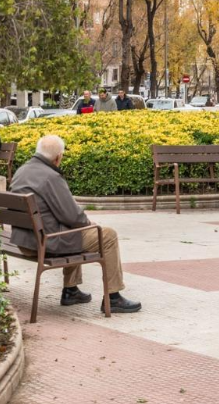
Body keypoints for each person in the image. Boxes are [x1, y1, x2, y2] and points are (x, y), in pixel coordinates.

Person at [9, 135, 142, 314]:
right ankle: (113, 296)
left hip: (25, 241)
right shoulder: (51, 177)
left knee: (73, 230)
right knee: (108, 235)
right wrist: (88, 223)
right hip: (45, 242)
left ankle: (71, 290)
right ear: (58, 157)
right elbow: (72, 216)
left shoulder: (22, 170)